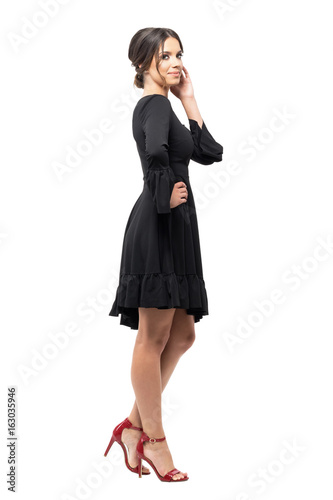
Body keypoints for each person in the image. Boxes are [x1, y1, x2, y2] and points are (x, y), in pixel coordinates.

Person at [104, 27, 223, 482]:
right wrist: (163, 195)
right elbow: (154, 151)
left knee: (183, 335)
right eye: (165, 56)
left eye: (179, 54)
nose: (175, 62)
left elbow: (209, 153)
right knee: (152, 339)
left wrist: (190, 98)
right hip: (158, 225)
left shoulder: (169, 104)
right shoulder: (153, 105)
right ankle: (152, 438)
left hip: (175, 228)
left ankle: (132, 427)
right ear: (143, 63)